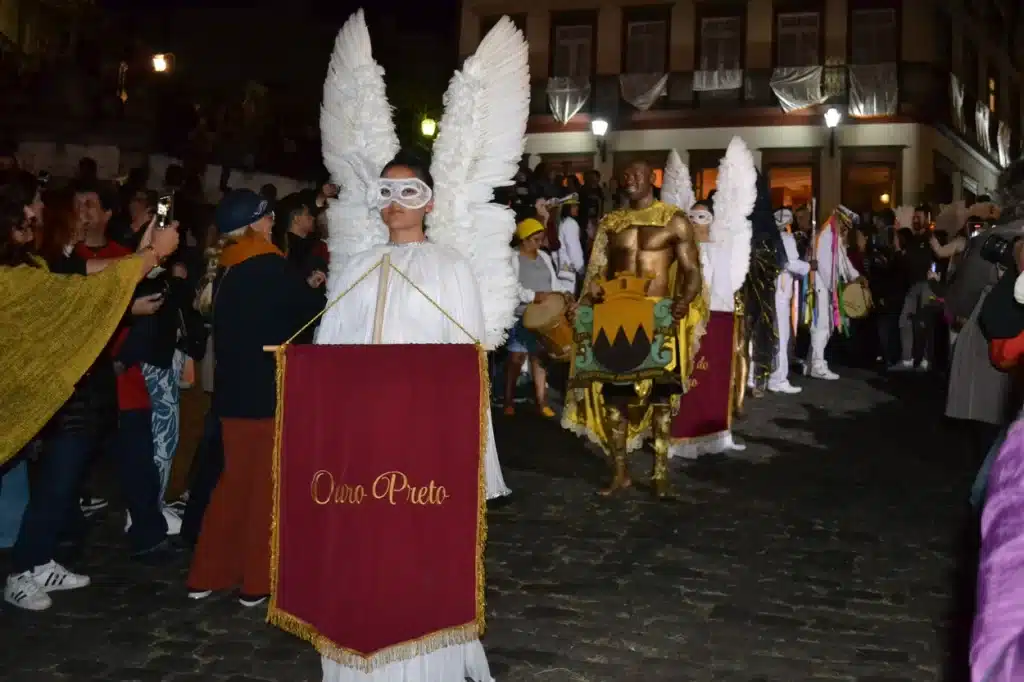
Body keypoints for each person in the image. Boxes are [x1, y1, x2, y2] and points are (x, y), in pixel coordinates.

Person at [0, 180, 179, 610]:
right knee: (56, 480)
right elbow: (75, 295)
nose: (43, 206)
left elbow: (88, 279)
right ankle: (23, 570)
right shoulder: (18, 276)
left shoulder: (34, 264)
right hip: (41, 394)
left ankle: (37, 560)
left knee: (61, 483)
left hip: (69, 396)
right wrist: (152, 255)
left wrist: (142, 255)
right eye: (36, 201)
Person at [186, 189, 325, 607]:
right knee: (264, 487)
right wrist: (315, 290)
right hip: (266, 393)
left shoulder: (228, 267)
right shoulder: (267, 264)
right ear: (256, 225)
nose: (271, 225)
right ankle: (256, 582)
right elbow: (308, 312)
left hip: (233, 395)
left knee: (233, 484)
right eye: (266, 219)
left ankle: (209, 572)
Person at [562, 158, 704, 498]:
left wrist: (684, 299)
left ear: (651, 178)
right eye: (625, 175)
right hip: (617, 317)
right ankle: (620, 472)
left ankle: (659, 474)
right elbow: (597, 273)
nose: (630, 180)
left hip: (658, 316)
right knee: (615, 400)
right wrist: (585, 300)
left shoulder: (674, 220)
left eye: (637, 174)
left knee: (661, 400)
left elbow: (692, 270)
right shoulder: (612, 224)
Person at [505, 217, 571, 417]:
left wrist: (563, 293)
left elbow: (553, 282)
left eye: (540, 239)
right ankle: (509, 400)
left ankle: (541, 401)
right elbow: (510, 286)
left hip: (543, 317)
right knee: (517, 358)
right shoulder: (512, 258)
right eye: (535, 239)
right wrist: (533, 296)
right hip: (522, 315)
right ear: (524, 240)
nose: (539, 244)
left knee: (539, 359)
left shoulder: (543, 256)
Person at [803, 205, 864, 380]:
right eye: (844, 225)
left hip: (828, 288)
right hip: (821, 287)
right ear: (837, 219)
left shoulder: (834, 237)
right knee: (821, 326)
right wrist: (837, 288)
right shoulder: (824, 237)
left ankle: (811, 363)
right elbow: (824, 266)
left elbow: (843, 262)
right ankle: (817, 364)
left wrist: (856, 276)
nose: (845, 230)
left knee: (825, 326)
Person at [769, 207, 810, 394]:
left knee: (770, 335)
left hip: (770, 292)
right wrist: (809, 266)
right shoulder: (786, 238)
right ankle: (778, 378)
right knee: (782, 336)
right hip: (781, 293)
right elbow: (792, 264)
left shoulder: (767, 237)